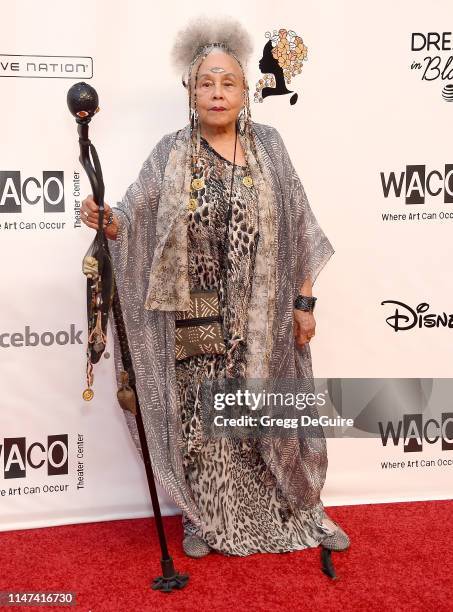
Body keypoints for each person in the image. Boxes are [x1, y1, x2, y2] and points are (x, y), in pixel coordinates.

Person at [81, 17, 350, 559]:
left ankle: (298, 509)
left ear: (247, 91)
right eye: (207, 82)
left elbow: (300, 229)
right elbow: (134, 216)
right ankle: (206, 518)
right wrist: (109, 220)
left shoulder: (270, 148)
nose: (218, 93)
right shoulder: (169, 152)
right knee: (203, 430)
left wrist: (303, 302)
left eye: (229, 82)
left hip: (265, 321)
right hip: (195, 320)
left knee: (267, 421)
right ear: (190, 90)